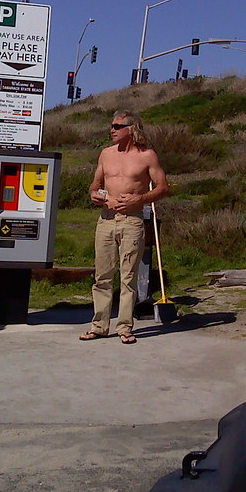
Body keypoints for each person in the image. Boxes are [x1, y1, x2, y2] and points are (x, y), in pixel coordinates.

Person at [79, 111, 168, 345]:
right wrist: (95, 195)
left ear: (132, 129)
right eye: (111, 126)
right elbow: (95, 184)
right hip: (106, 220)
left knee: (128, 277)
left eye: (117, 126)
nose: (112, 130)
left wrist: (140, 199)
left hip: (132, 221)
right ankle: (99, 326)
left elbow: (162, 187)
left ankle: (125, 327)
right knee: (102, 276)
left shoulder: (147, 156)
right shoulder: (106, 154)